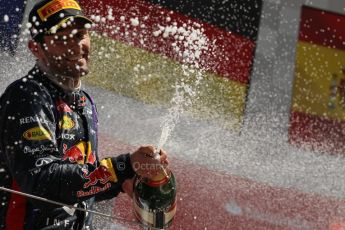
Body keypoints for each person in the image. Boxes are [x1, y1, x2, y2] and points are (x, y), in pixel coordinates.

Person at [0, 0, 168, 229]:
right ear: (35, 48)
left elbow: (78, 187)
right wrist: (122, 167)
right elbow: (42, 181)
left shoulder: (84, 102)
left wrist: (123, 182)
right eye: (62, 38)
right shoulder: (27, 96)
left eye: (80, 34)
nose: (76, 46)